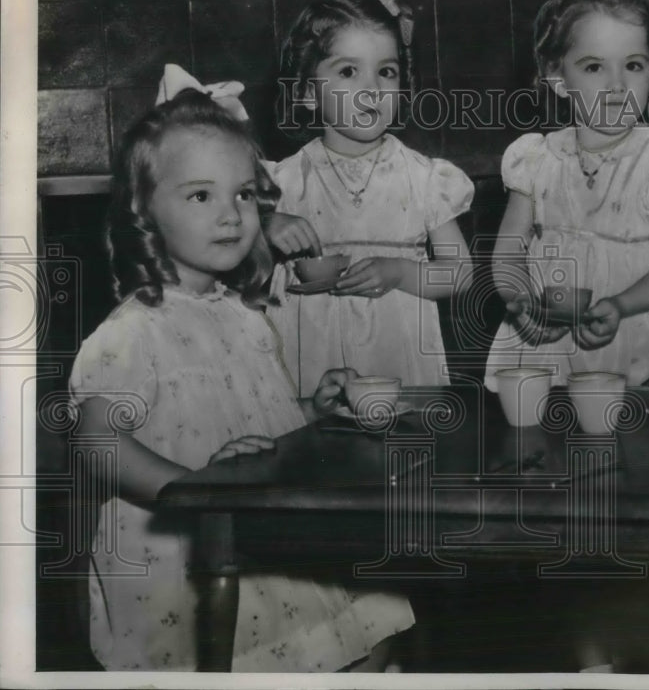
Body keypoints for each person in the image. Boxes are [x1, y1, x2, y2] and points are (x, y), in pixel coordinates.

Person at [68, 86, 414, 671]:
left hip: (259, 536)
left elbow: (250, 413)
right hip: (183, 558)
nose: (231, 213)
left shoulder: (239, 313)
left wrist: (312, 407)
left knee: (368, 630)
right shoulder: (133, 333)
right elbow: (96, 441)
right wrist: (196, 494)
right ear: (144, 211)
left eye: (244, 193)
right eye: (201, 195)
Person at [485, 0, 649, 390]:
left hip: (629, 336)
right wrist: (521, 301)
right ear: (558, 78)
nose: (617, 86)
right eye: (594, 67)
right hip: (544, 345)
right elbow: (507, 253)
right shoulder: (536, 161)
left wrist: (621, 305)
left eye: (634, 66)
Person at [265, 0, 474, 394]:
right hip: (311, 368)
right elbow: (230, 266)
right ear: (308, 92)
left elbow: (461, 275)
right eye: (348, 71)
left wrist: (400, 272)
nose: (371, 90)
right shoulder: (280, 183)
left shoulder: (423, 178)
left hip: (399, 362)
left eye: (386, 72)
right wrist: (264, 228)